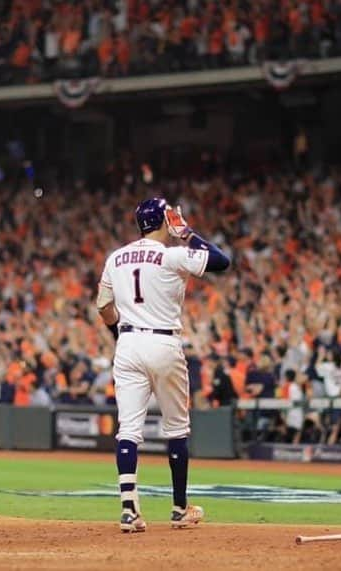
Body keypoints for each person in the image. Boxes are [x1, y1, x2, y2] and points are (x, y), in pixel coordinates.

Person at [96, 198, 230, 533]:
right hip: (164, 341)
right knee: (176, 429)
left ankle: (129, 509)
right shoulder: (172, 253)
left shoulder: (116, 257)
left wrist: (120, 335)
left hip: (128, 342)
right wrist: (187, 233)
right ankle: (179, 507)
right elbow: (221, 261)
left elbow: (103, 306)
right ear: (165, 220)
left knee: (128, 430)